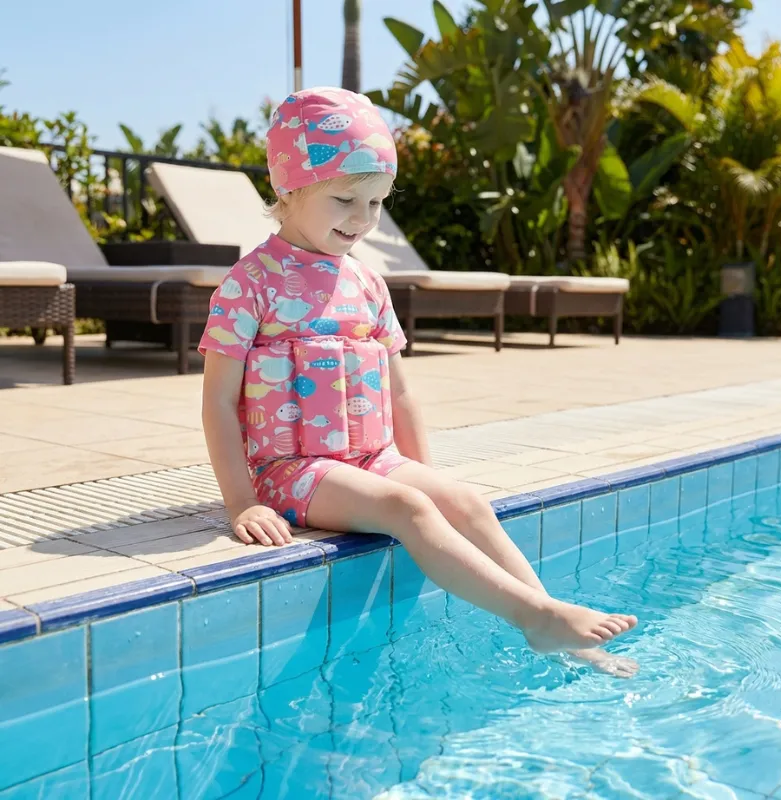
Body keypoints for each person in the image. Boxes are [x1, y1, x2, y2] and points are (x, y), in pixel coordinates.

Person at [199, 86, 638, 674]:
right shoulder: (250, 283)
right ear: (288, 189)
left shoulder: (367, 284)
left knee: (463, 501)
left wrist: (427, 475)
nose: (363, 219)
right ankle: (534, 616)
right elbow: (217, 402)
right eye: (345, 199)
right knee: (408, 508)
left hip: (371, 458)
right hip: (292, 471)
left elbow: (399, 392)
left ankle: (552, 618)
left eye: (377, 202)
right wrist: (242, 504)